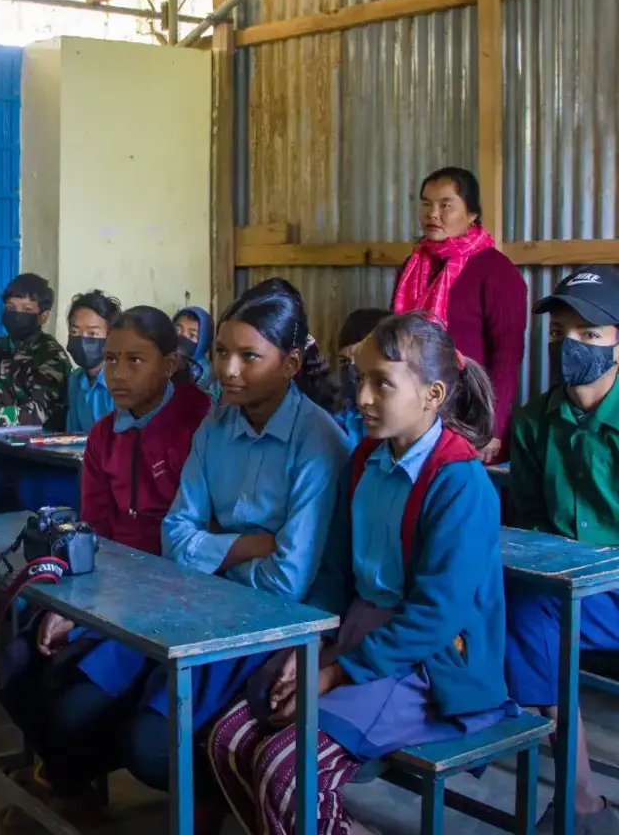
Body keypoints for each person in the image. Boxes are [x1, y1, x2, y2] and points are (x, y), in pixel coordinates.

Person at [0, 278, 349, 832]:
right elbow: (175, 539)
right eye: (222, 352)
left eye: (249, 357)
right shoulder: (217, 426)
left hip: (270, 625)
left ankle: (204, 795)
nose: (228, 370)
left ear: (290, 363)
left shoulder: (317, 442)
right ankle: (77, 780)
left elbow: (287, 580)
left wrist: (211, 550)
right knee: (47, 677)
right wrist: (248, 545)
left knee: (144, 742)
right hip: (193, 600)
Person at [208, 311, 513, 835]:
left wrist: (334, 673)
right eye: (359, 379)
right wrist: (307, 648)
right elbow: (334, 575)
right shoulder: (367, 459)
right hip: (356, 637)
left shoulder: (460, 484)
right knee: (227, 740)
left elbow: (435, 618)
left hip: (427, 664)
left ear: (433, 394)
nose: (363, 398)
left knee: (287, 767)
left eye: (382, 384)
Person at [0, 306, 211, 829]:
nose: (117, 373)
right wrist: (73, 607)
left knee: (74, 705)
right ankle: (70, 787)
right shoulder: (103, 436)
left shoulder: (201, 426)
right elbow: (96, 534)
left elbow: (199, 536)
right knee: (16, 663)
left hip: (181, 600)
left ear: (170, 364)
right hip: (116, 593)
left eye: (135, 360)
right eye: (111, 359)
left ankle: (64, 779)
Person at [505, 266, 619, 834]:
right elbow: (528, 522)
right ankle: (580, 800)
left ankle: (579, 803)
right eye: (559, 333)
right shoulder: (533, 421)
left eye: (589, 334)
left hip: (609, 589)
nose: (570, 345)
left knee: (530, 616)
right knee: (514, 603)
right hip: (564, 592)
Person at [392, 166, 527, 463]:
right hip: (414, 413)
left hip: (469, 418)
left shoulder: (496, 271)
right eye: (426, 204)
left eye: (446, 205)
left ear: (472, 214)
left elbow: (507, 356)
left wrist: (492, 429)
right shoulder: (412, 267)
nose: (432, 214)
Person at [0, 272, 71, 430]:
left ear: (43, 316)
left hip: (40, 440)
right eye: (10, 307)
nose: (17, 315)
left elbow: (39, 413)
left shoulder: (51, 355)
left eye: (27, 310)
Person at [65, 289, 121, 433]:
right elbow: (72, 437)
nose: (82, 339)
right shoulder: (75, 381)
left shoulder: (122, 383)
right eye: (74, 332)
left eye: (92, 333)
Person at [335, 307, 392, 448]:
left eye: (361, 362)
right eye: (344, 361)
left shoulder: (397, 424)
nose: (351, 371)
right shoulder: (336, 423)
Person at [174, 305, 217, 395]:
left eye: (192, 335)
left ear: (204, 340)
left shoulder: (210, 375)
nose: (182, 337)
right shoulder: (165, 361)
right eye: (177, 330)